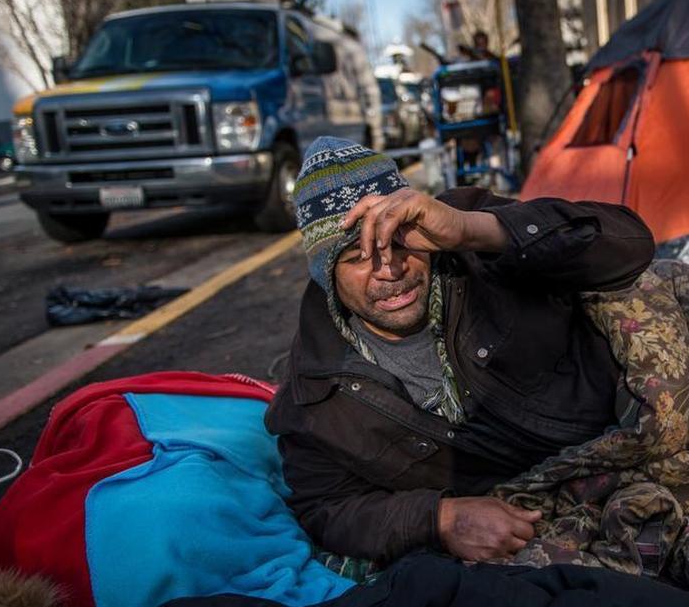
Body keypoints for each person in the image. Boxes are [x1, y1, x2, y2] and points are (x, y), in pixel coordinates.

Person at [265, 137, 655, 566]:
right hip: (547, 505)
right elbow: (326, 508)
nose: (390, 269)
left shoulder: (468, 235)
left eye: (400, 242)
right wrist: (439, 519)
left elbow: (632, 244)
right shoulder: (315, 392)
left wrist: (474, 230)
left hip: (637, 420)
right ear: (327, 277)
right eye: (359, 257)